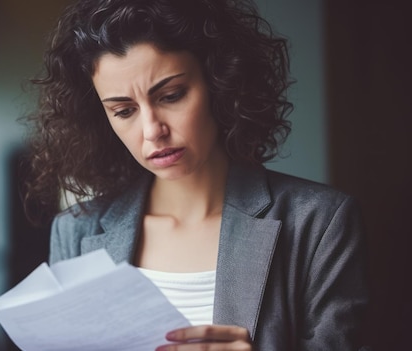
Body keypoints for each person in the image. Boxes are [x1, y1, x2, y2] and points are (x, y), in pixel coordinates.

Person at [22, 0, 370, 350]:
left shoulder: (320, 222)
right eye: (124, 110)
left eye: (171, 95)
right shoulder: (76, 232)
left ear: (220, 83)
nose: (152, 130)